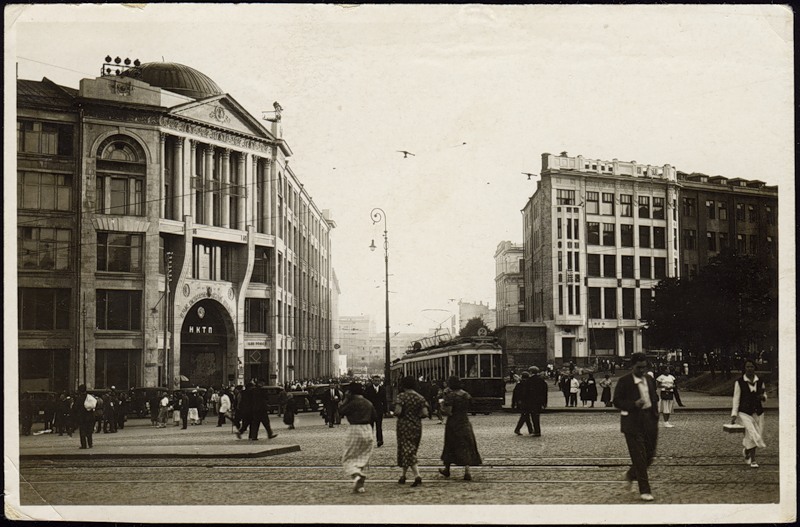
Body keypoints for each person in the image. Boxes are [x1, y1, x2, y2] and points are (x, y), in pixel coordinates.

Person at [613, 352, 659, 502]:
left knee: (649, 456)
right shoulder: (624, 381)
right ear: (632, 366)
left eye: (644, 368)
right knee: (639, 457)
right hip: (632, 423)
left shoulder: (650, 380)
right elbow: (617, 402)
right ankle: (645, 490)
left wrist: (655, 414)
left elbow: (653, 396)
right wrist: (633, 404)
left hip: (650, 421)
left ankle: (631, 475)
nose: (642, 371)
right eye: (639, 368)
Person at [439, 376, 482, 481]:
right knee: (466, 445)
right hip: (465, 422)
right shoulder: (465, 394)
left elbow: (448, 411)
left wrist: (441, 405)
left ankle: (447, 469)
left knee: (450, 445)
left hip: (453, 423)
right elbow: (472, 405)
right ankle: (467, 472)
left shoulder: (450, 396)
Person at [338, 382, 378, 494]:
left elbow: (341, 411)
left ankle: (357, 476)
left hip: (355, 429)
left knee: (348, 457)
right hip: (367, 429)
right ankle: (360, 486)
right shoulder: (368, 402)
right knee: (362, 457)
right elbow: (375, 416)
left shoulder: (352, 403)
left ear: (350, 392)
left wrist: (345, 399)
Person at [731, 360, 767, 468]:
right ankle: (753, 460)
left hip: (758, 412)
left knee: (754, 434)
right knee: (752, 433)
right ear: (744, 368)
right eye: (747, 367)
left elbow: (764, 396)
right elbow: (736, 399)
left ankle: (747, 451)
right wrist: (734, 414)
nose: (749, 369)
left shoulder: (760, 381)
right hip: (744, 412)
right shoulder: (739, 382)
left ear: (755, 368)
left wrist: (763, 397)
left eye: (751, 366)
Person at [394, 376, 429, 487]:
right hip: (416, 426)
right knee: (410, 449)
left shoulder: (401, 397)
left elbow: (398, 412)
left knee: (407, 450)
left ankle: (417, 475)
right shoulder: (420, 397)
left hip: (404, 426)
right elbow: (425, 413)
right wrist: (415, 416)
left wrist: (394, 412)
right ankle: (403, 475)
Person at [364, 375, 387, 446]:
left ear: (380, 381)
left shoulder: (382, 389)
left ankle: (379, 440)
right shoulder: (368, 389)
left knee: (379, 426)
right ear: (372, 381)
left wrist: (385, 410)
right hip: (370, 410)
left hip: (379, 410)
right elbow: (365, 400)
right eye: (375, 380)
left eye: (378, 381)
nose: (377, 382)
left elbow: (384, 400)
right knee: (370, 426)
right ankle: (369, 441)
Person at [527, 367, 548, 436]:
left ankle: (536, 431)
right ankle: (537, 430)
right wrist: (544, 402)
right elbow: (545, 392)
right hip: (539, 401)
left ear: (531, 372)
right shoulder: (541, 380)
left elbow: (526, 392)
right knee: (536, 416)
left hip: (531, 401)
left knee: (533, 417)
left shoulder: (529, 380)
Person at [74, 384, 96, 449]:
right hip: (90, 417)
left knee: (82, 431)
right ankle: (90, 444)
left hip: (82, 417)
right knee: (89, 431)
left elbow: (76, 408)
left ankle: (84, 445)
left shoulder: (79, 398)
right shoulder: (89, 397)